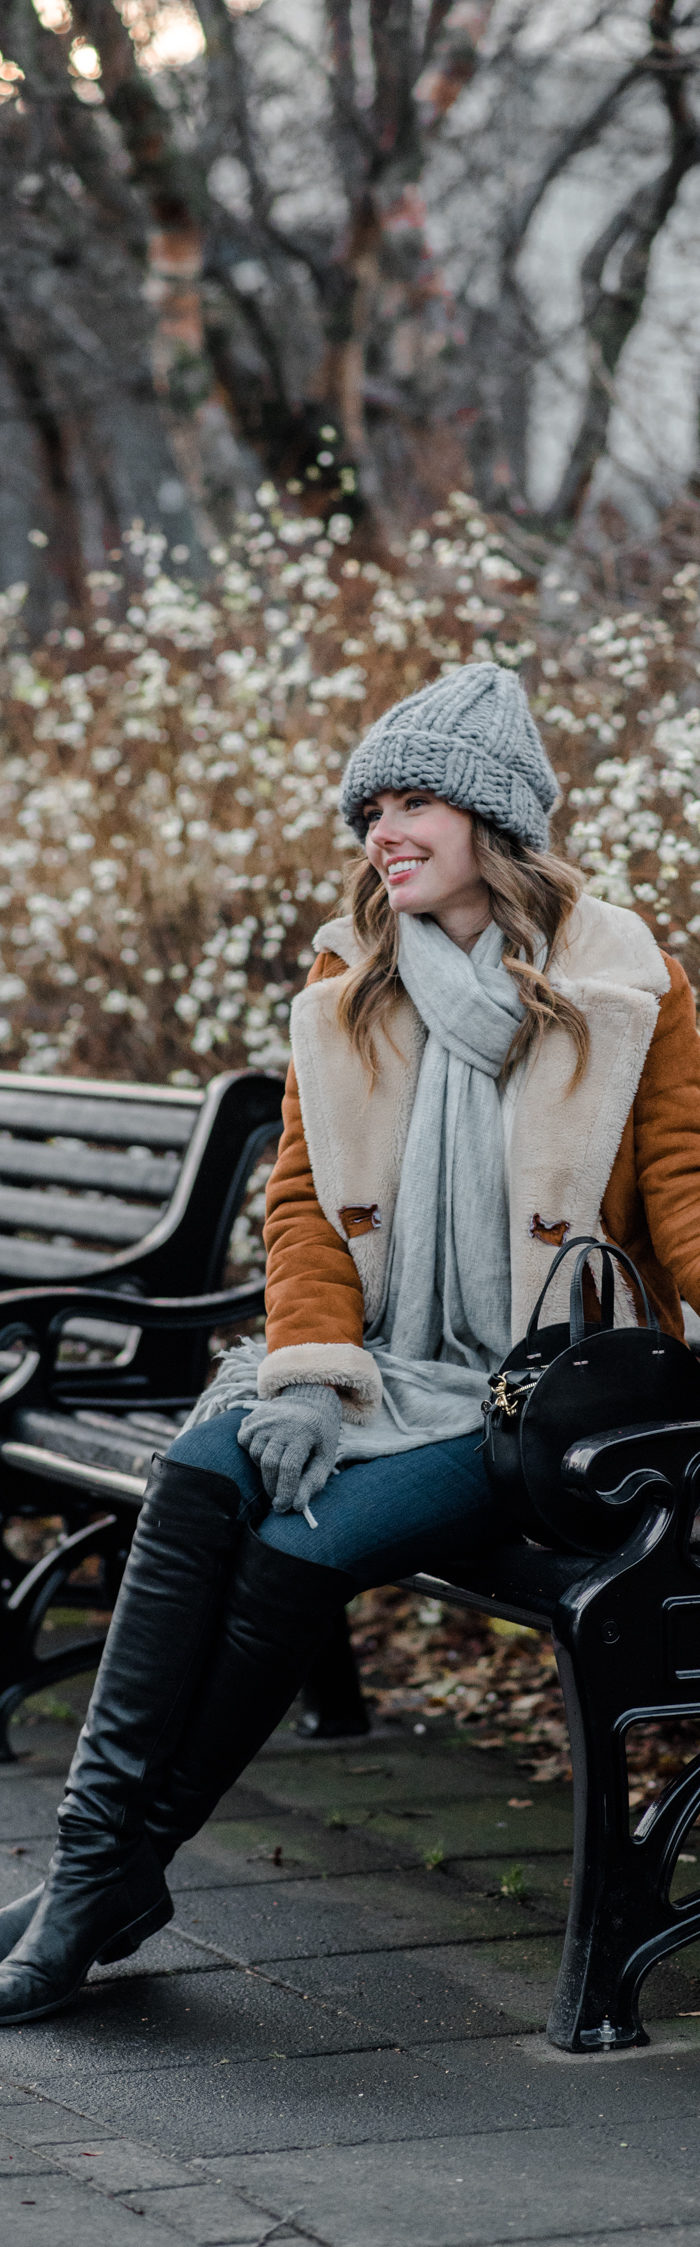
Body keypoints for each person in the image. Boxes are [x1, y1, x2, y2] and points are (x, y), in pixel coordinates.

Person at [1, 659, 700, 2027]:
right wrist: (311, 1375)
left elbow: (681, 1184)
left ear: (493, 817)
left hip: (524, 1397)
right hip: (373, 1365)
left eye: (416, 800)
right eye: (370, 806)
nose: (384, 830)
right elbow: (308, 1214)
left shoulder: (629, 983)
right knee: (202, 1483)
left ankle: (100, 1891)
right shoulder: (348, 984)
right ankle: (97, 1876)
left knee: (300, 1543)